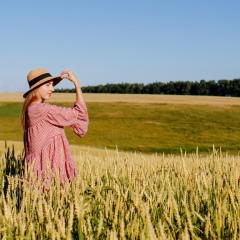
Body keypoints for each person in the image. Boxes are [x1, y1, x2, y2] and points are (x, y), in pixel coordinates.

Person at [21, 68, 89, 188]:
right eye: (48, 85)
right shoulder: (43, 110)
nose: (52, 89)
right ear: (36, 88)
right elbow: (79, 114)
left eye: (52, 85)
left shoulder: (31, 110)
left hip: (38, 173)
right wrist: (77, 85)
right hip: (49, 174)